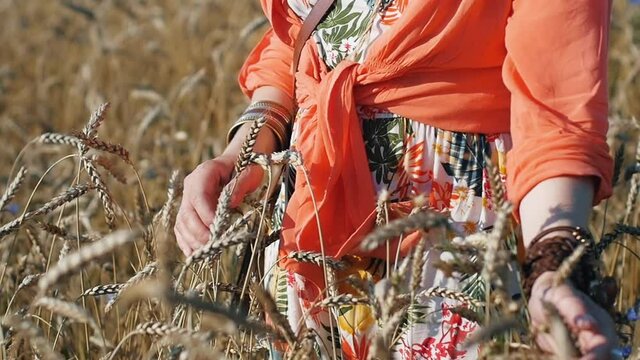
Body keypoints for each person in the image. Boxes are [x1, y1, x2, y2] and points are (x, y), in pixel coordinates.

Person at [175, 0, 618, 358]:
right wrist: (249, 145)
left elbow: (558, 104)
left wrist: (552, 262)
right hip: (307, 223)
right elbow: (303, 33)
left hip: (447, 246)